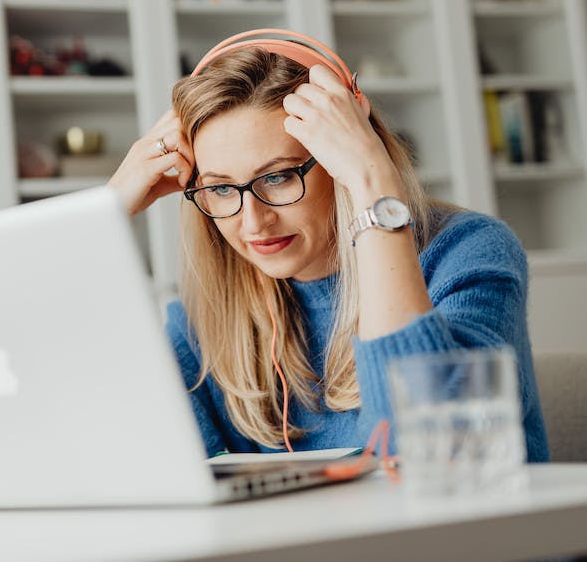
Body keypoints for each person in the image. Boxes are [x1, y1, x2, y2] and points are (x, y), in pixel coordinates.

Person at [107, 29, 549, 462]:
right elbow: (133, 468)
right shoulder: (202, 319)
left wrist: (373, 182)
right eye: (221, 189)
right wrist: (104, 219)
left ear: (343, 158)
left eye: (278, 177)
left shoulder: (467, 252)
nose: (253, 221)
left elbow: (432, 456)